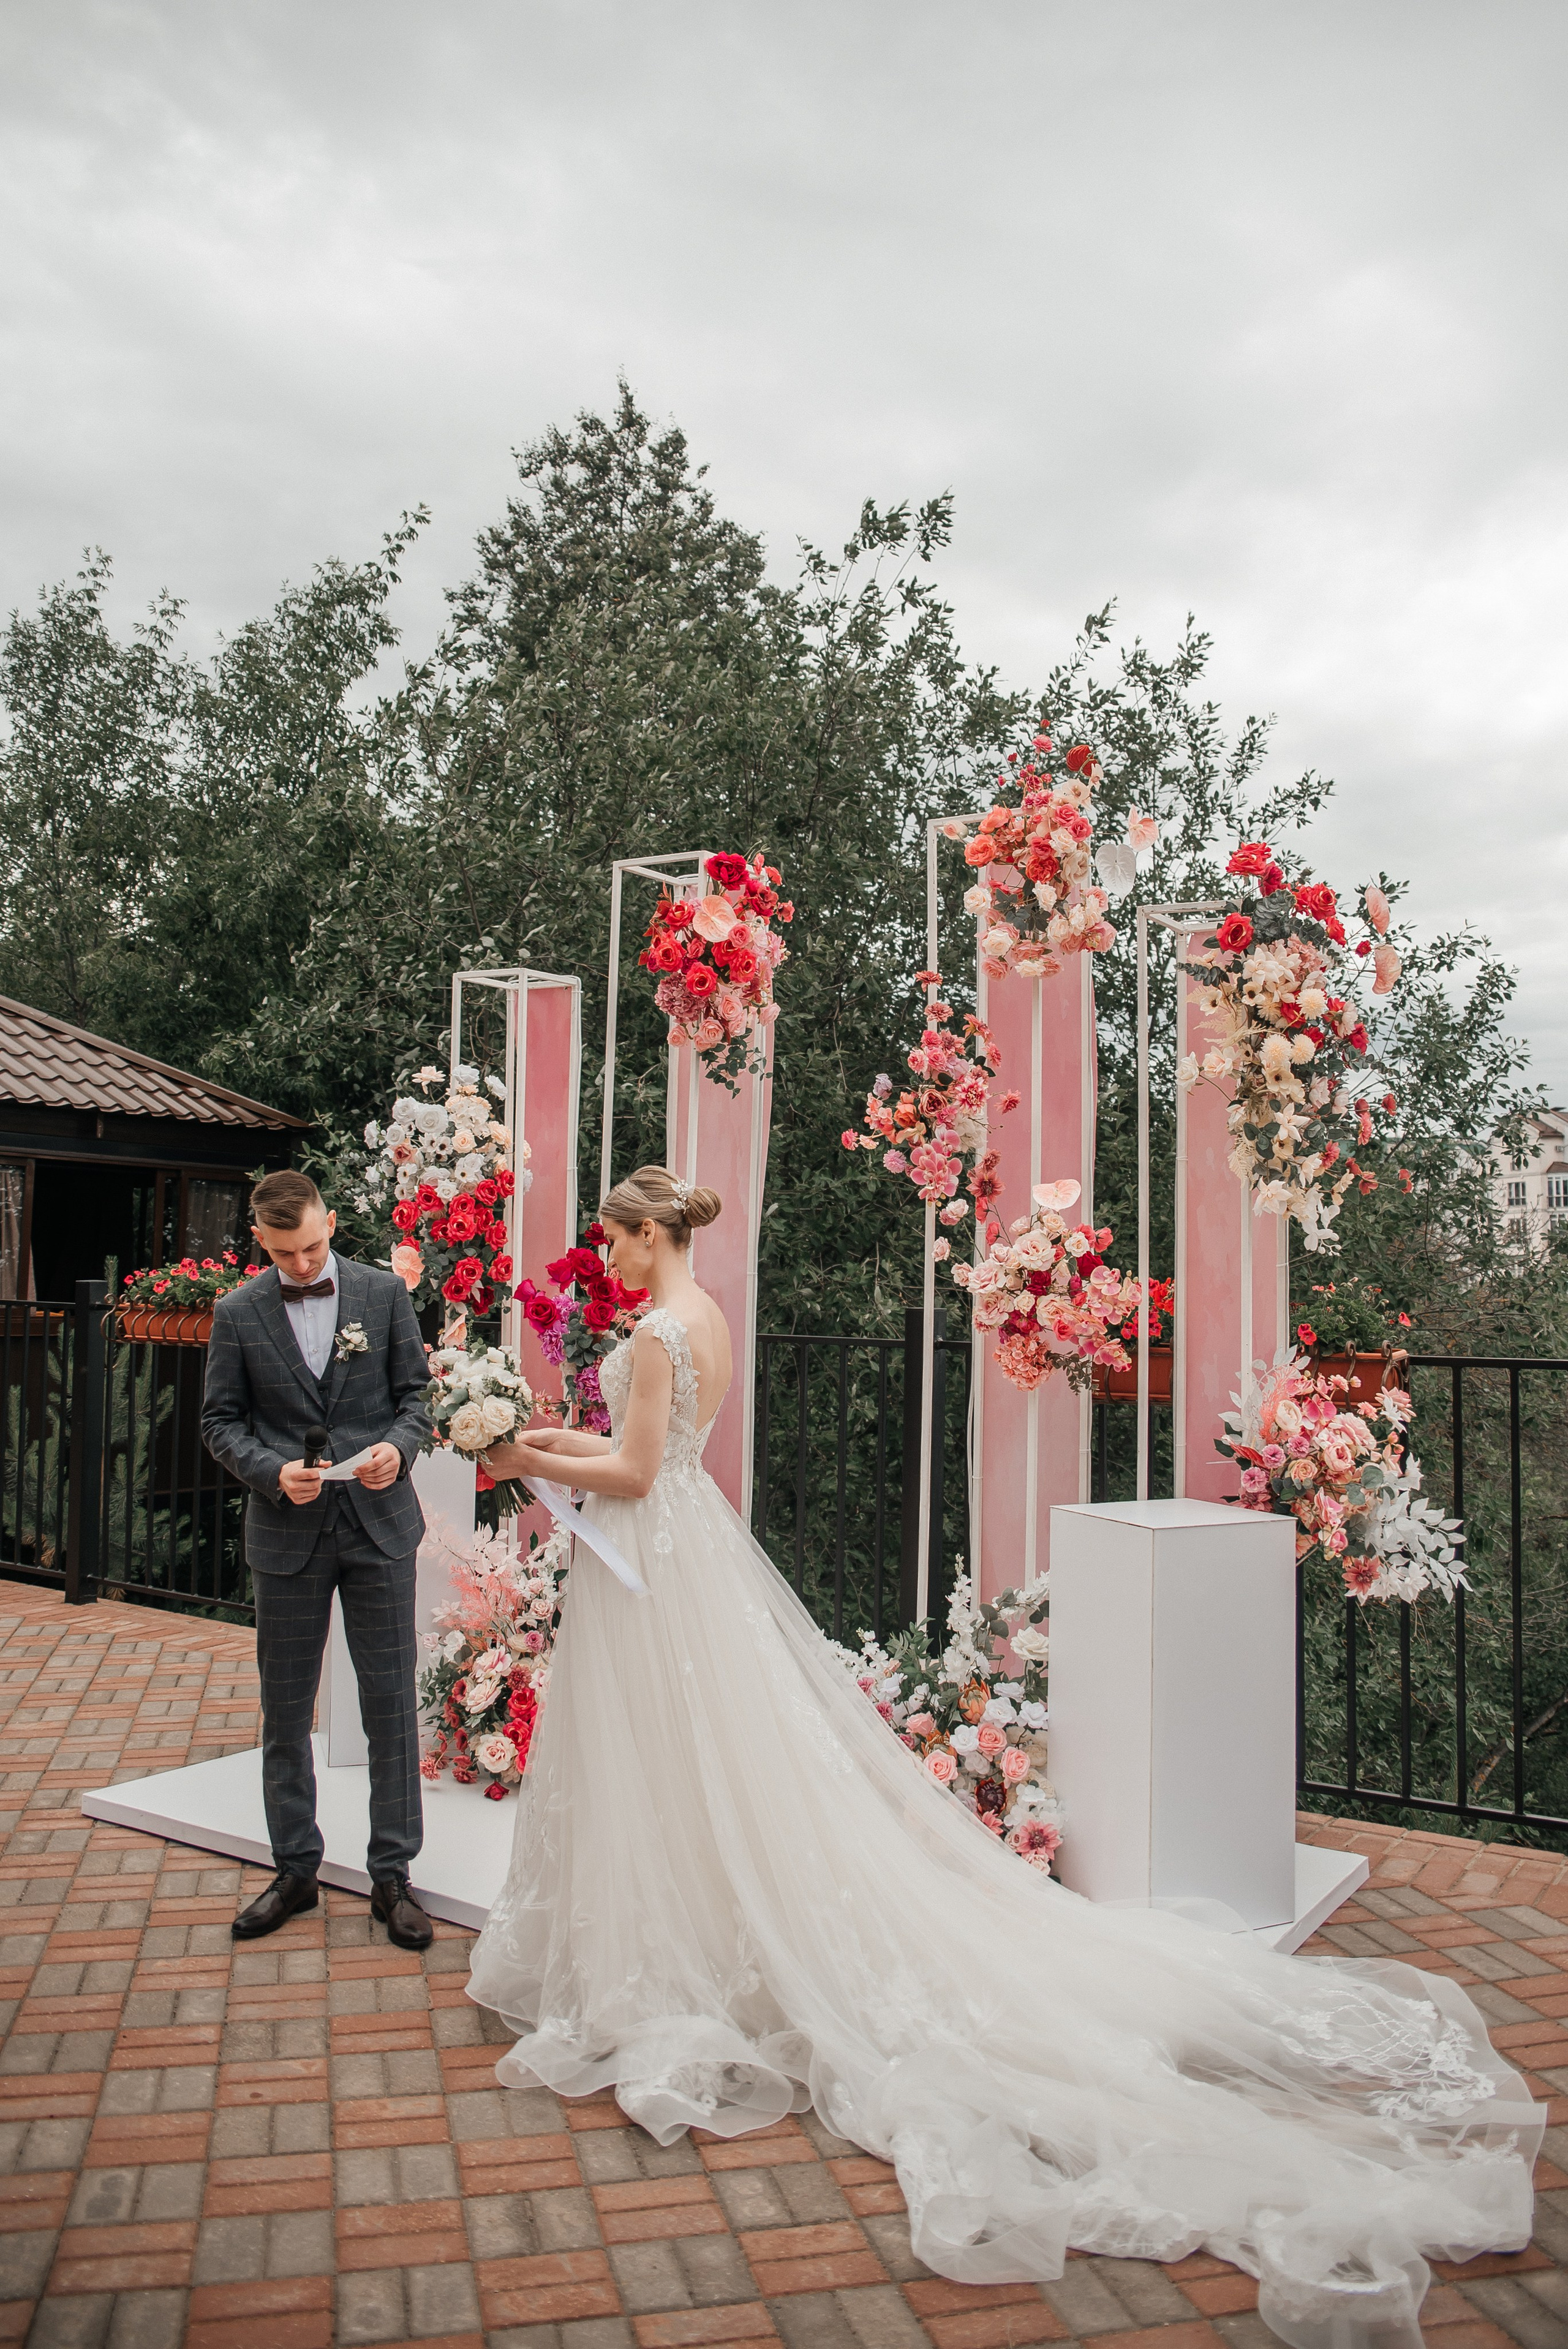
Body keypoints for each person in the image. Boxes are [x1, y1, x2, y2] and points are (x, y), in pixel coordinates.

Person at [466, 1164, 1539, 2349]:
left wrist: (528, 1462)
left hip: (653, 1564)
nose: (606, 1258)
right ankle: (706, 1925)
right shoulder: (701, 1315)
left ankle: (684, 1949)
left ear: (644, 1234)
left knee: (671, 1754)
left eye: (613, 1240)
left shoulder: (655, 1334)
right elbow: (651, 1451)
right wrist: (556, 1436)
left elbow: (632, 1472)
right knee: (701, 1753)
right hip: (683, 1552)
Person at [202, 1170, 434, 1949]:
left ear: (330, 1222)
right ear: (259, 1242)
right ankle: (295, 1868)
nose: (302, 1265)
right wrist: (272, 1472)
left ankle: (393, 1876)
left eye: (310, 1247)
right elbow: (219, 1421)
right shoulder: (237, 1312)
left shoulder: (383, 1294)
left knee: (389, 1705)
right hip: (286, 1534)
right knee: (285, 1709)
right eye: (284, 1254)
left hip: (379, 1528)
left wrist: (397, 1451)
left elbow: (416, 1400)